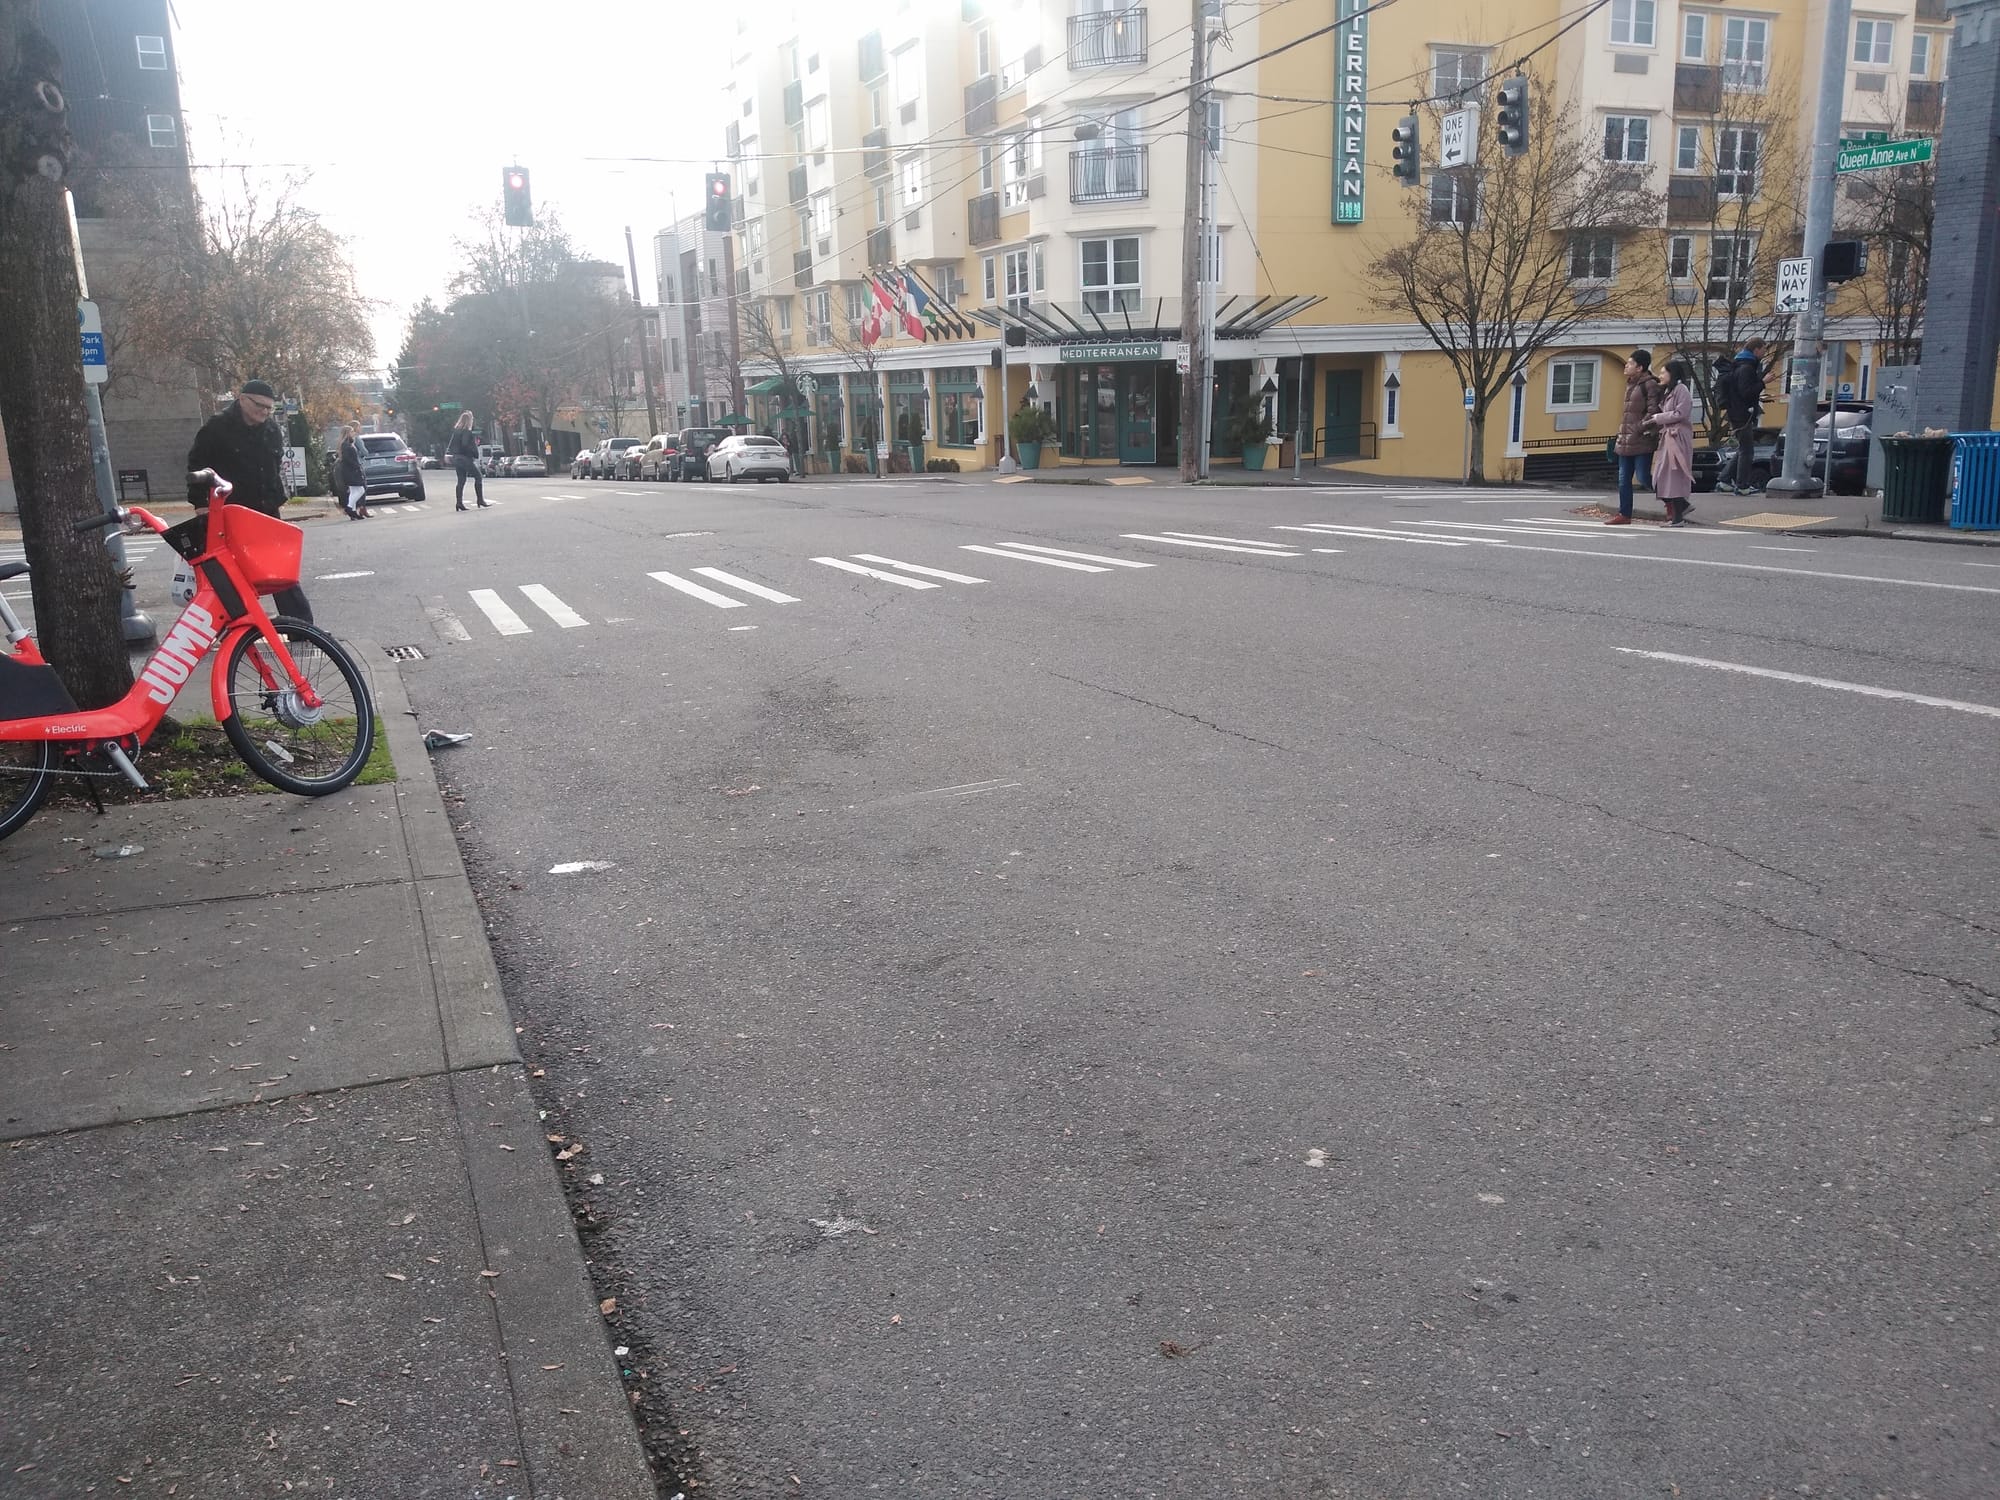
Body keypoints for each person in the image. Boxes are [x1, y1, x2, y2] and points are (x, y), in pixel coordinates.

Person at [186, 378, 312, 622]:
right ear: (242, 399)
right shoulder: (217, 427)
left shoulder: (272, 430)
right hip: (231, 511)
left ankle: (302, 625)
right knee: (232, 572)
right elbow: (197, 465)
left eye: (269, 408)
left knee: (278, 568)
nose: (264, 412)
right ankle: (232, 623)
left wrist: (277, 498)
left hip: (266, 509)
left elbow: (274, 468)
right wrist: (200, 505)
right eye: (259, 405)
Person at [1609, 350, 1662, 525]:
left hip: (1641, 439)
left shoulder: (1650, 385)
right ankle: (1624, 513)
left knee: (1643, 477)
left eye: (1630, 363)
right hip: (1626, 439)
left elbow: (1653, 412)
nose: (1626, 366)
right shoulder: (1630, 384)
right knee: (1623, 479)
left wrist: (1638, 428)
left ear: (1640, 367)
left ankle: (1674, 501)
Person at [1647, 358, 1697, 526]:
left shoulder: (1681, 390)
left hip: (1677, 437)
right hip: (1669, 436)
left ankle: (1678, 516)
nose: (1661, 375)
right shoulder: (1670, 390)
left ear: (1672, 373)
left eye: (1663, 372)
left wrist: (1658, 418)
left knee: (1672, 476)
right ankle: (1682, 507)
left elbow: (1681, 413)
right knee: (1662, 476)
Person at [1724, 338, 1767, 495]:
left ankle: (1725, 479)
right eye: (1763, 350)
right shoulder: (1747, 368)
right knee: (1747, 450)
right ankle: (1742, 485)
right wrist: (1763, 383)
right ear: (1756, 350)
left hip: (1736, 412)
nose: (1764, 353)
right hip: (1742, 414)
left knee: (1743, 448)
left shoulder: (1740, 364)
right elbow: (1746, 392)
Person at [446, 411, 489, 511]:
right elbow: (465, 444)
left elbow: (451, 445)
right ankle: (480, 500)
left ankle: (459, 503)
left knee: (461, 480)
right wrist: (472, 451)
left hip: (456, 458)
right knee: (478, 476)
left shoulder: (456, 432)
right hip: (465, 458)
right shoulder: (466, 432)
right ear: (469, 421)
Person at [336, 424, 368, 520]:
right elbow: (348, 459)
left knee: (354, 491)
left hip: (349, 471)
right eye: (352, 431)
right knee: (361, 489)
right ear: (347, 433)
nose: (354, 433)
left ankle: (353, 512)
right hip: (352, 471)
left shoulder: (347, 444)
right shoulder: (346, 445)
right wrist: (357, 466)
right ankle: (349, 508)